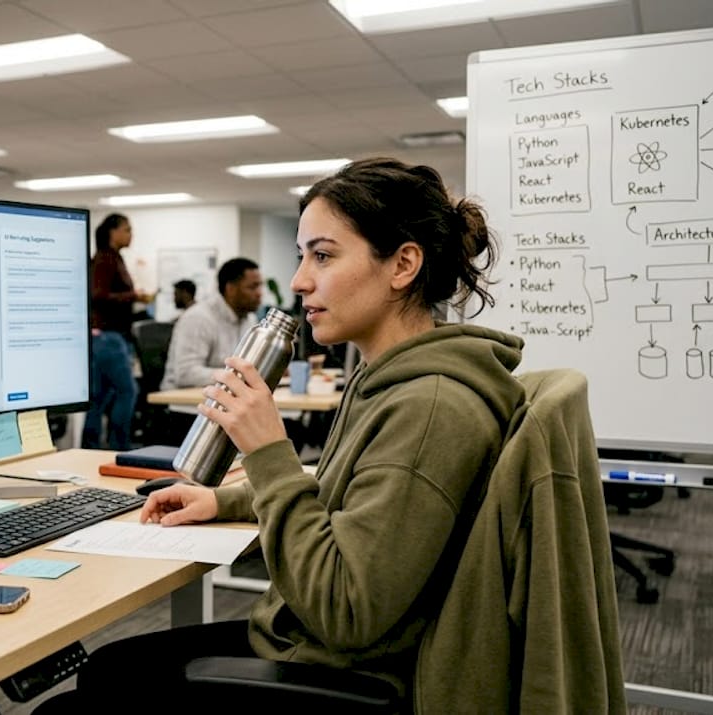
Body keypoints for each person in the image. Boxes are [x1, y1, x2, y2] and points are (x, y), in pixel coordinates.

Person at [36, 158, 526, 712]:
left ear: (403, 264)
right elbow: (344, 495)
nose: (298, 281)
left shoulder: (430, 407)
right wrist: (223, 498)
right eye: (302, 257)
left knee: (78, 700)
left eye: (323, 255)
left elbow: (345, 608)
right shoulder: (389, 377)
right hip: (306, 641)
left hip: (336, 664)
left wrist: (268, 450)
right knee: (110, 666)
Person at [82, 213, 153, 450]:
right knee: (127, 391)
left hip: (107, 337)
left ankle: (91, 447)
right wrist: (134, 295)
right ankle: (119, 447)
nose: (131, 234)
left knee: (100, 397)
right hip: (108, 337)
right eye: (127, 229)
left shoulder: (113, 258)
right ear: (113, 232)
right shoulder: (105, 259)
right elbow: (97, 295)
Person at [160, 258, 262, 393]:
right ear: (230, 289)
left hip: (223, 398)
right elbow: (186, 374)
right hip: (183, 403)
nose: (259, 293)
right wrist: (239, 376)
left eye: (260, 286)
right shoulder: (199, 318)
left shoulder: (249, 319)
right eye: (252, 287)